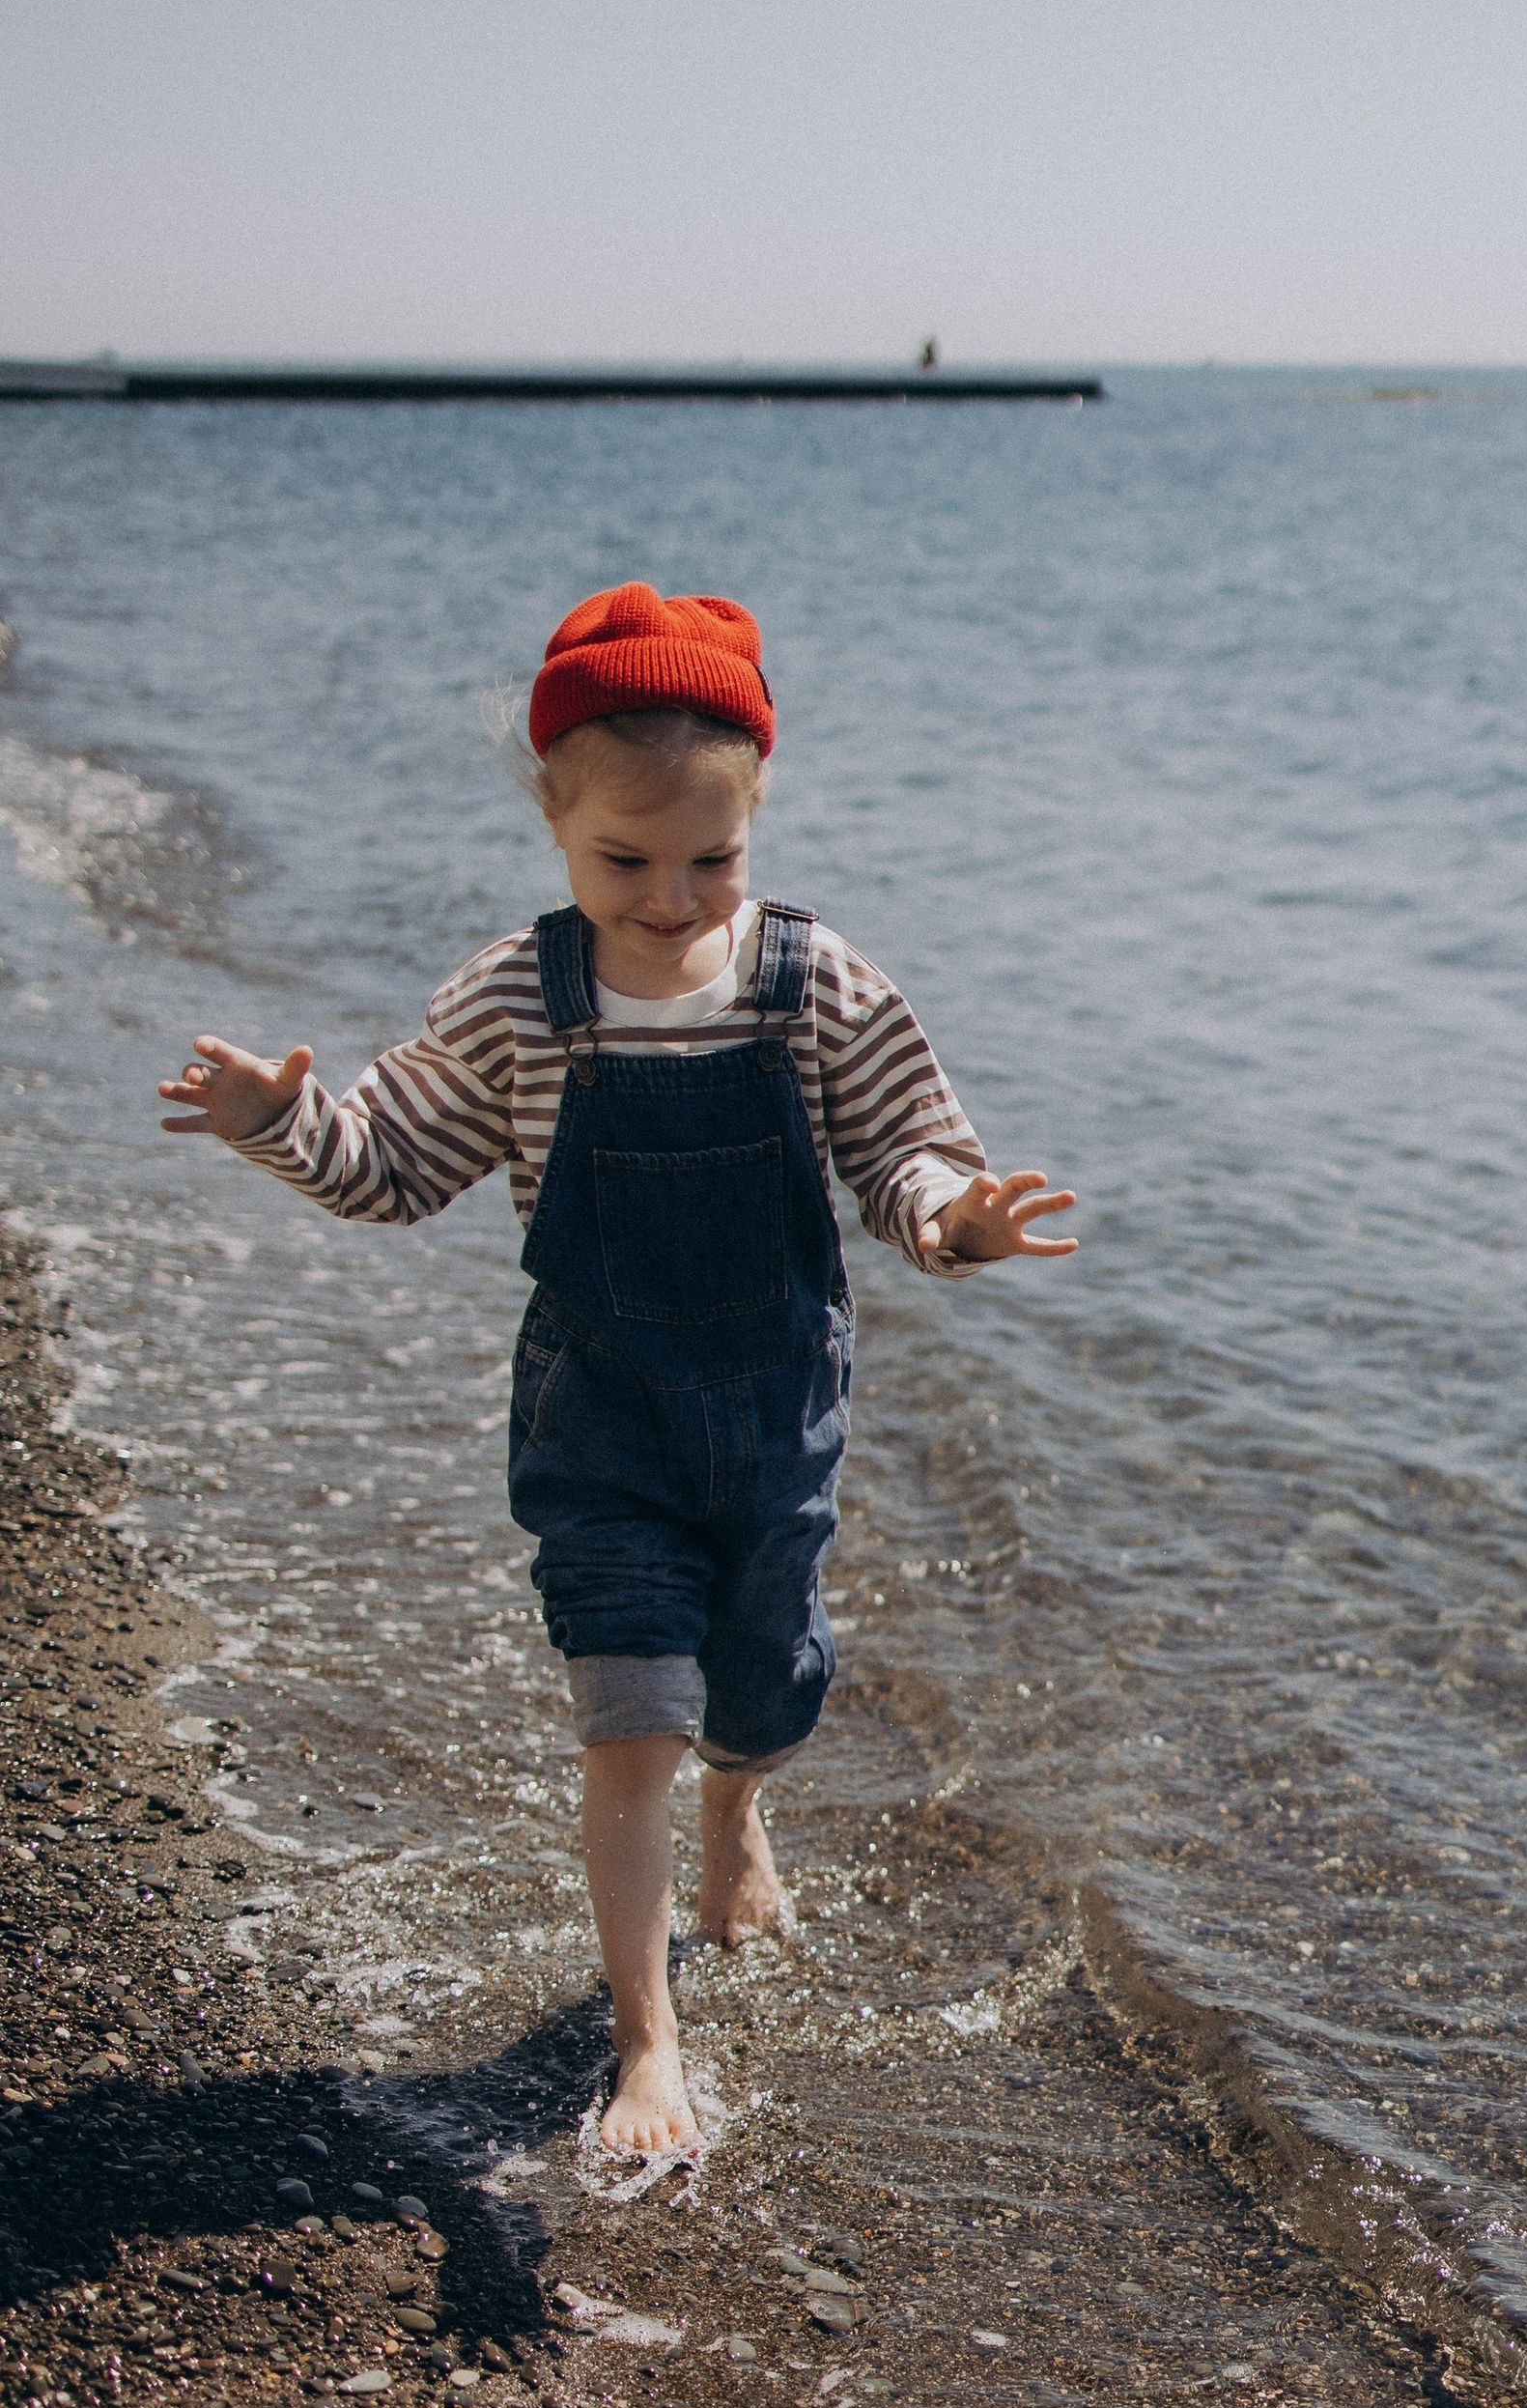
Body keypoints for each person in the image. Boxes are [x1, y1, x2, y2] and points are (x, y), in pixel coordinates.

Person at [157, 582, 1075, 2158]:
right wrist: (278, 1124)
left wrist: (957, 1225)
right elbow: (389, 1165)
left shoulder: (815, 984)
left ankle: (743, 1807)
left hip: (776, 1410)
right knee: (630, 1715)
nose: (670, 899)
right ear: (555, 823)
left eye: (710, 860)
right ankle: (648, 2049)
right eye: (624, 862)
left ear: (756, 819)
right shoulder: (521, 998)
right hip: (603, 1418)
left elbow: (907, 1154)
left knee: (767, 1679)